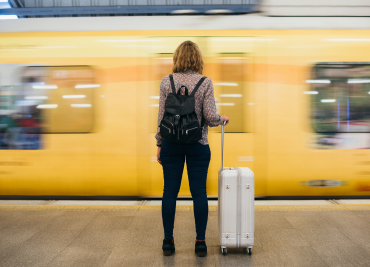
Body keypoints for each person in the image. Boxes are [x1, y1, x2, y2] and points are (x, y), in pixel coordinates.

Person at [155, 40, 229, 257]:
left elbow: (161, 118)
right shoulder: (205, 82)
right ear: (198, 59)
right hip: (198, 145)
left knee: (169, 192)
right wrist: (222, 118)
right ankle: (200, 243)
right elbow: (210, 117)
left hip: (171, 144)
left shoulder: (166, 82)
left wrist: (159, 143)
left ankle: (168, 242)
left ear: (177, 58)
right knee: (199, 193)